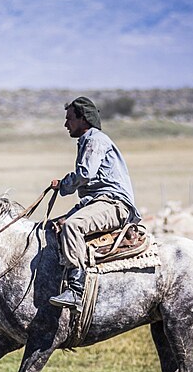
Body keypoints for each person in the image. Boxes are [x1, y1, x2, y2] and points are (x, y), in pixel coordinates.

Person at [49, 96, 141, 311]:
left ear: (83, 119)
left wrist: (64, 184)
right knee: (53, 227)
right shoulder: (86, 141)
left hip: (113, 203)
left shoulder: (95, 140)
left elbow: (85, 173)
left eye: (69, 119)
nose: (65, 124)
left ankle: (76, 290)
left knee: (72, 226)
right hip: (95, 202)